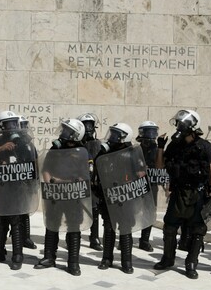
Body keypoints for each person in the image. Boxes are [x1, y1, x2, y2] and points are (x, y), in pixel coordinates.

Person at [153, 110, 211, 279]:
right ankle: (168, 259)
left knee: (197, 229)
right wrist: (160, 146)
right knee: (170, 226)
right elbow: (159, 167)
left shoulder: (205, 146)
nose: (179, 127)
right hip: (178, 192)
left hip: (197, 193)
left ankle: (191, 263)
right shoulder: (174, 146)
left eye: (182, 124)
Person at [0, 111, 39, 270]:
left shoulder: (24, 142)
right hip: (1, 188)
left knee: (16, 220)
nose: (10, 127)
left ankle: (17, 255)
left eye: (13, 123)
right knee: (0, 219)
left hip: (18, 188)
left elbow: (33, 162)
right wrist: (1, 149)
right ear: (1, 125)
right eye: (7, 124)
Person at [35, 119, 92, 275]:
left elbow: (83, 178)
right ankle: (49, 257)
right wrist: (51, 184)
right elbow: (46, 170)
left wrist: (60, 181)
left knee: (74, 228)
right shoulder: (55, 148)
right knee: (52, 225)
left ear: (75, 135)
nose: (63, 133)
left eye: (67, 131)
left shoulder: (82, 152)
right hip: (56, 194)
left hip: (73, 197)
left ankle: (73, 262)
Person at [96, 123, 153, 274]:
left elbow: (141, 174)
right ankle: (106, 258)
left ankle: (126, 262)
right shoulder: (104, 152)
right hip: (109, 196)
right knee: (109, 227)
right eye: (112, 133)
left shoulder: (132, 153)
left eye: (116, 135)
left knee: (126, 229)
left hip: (126, 196)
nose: (112, 137)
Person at [78, 113, 104, 251]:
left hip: (92, 182)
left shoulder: (98, 144)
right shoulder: (76, 143)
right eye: (85, 125)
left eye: (90, 125)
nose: (88, 128)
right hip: (78, 181)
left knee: (94, 210)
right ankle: (74, 236)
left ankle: (94, 237)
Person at [135, 121, 162, 252]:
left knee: (149, 212)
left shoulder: (158, 150)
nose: (150, 135)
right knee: (131, 211)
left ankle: (144, 240)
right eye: (148, 132)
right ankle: (125, 238)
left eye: (152, 132)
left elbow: (161, 167)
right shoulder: (135, 149)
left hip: (151, 185)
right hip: (136, 184)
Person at [18, 115, 37, 249]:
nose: (25, 129)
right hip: (12, 183)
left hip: (26, 182)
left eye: (26, 126)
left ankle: (26, 237)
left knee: (25, 211)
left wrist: (34, 182)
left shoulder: (29, 144)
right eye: (22, 126)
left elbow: (34, 162)